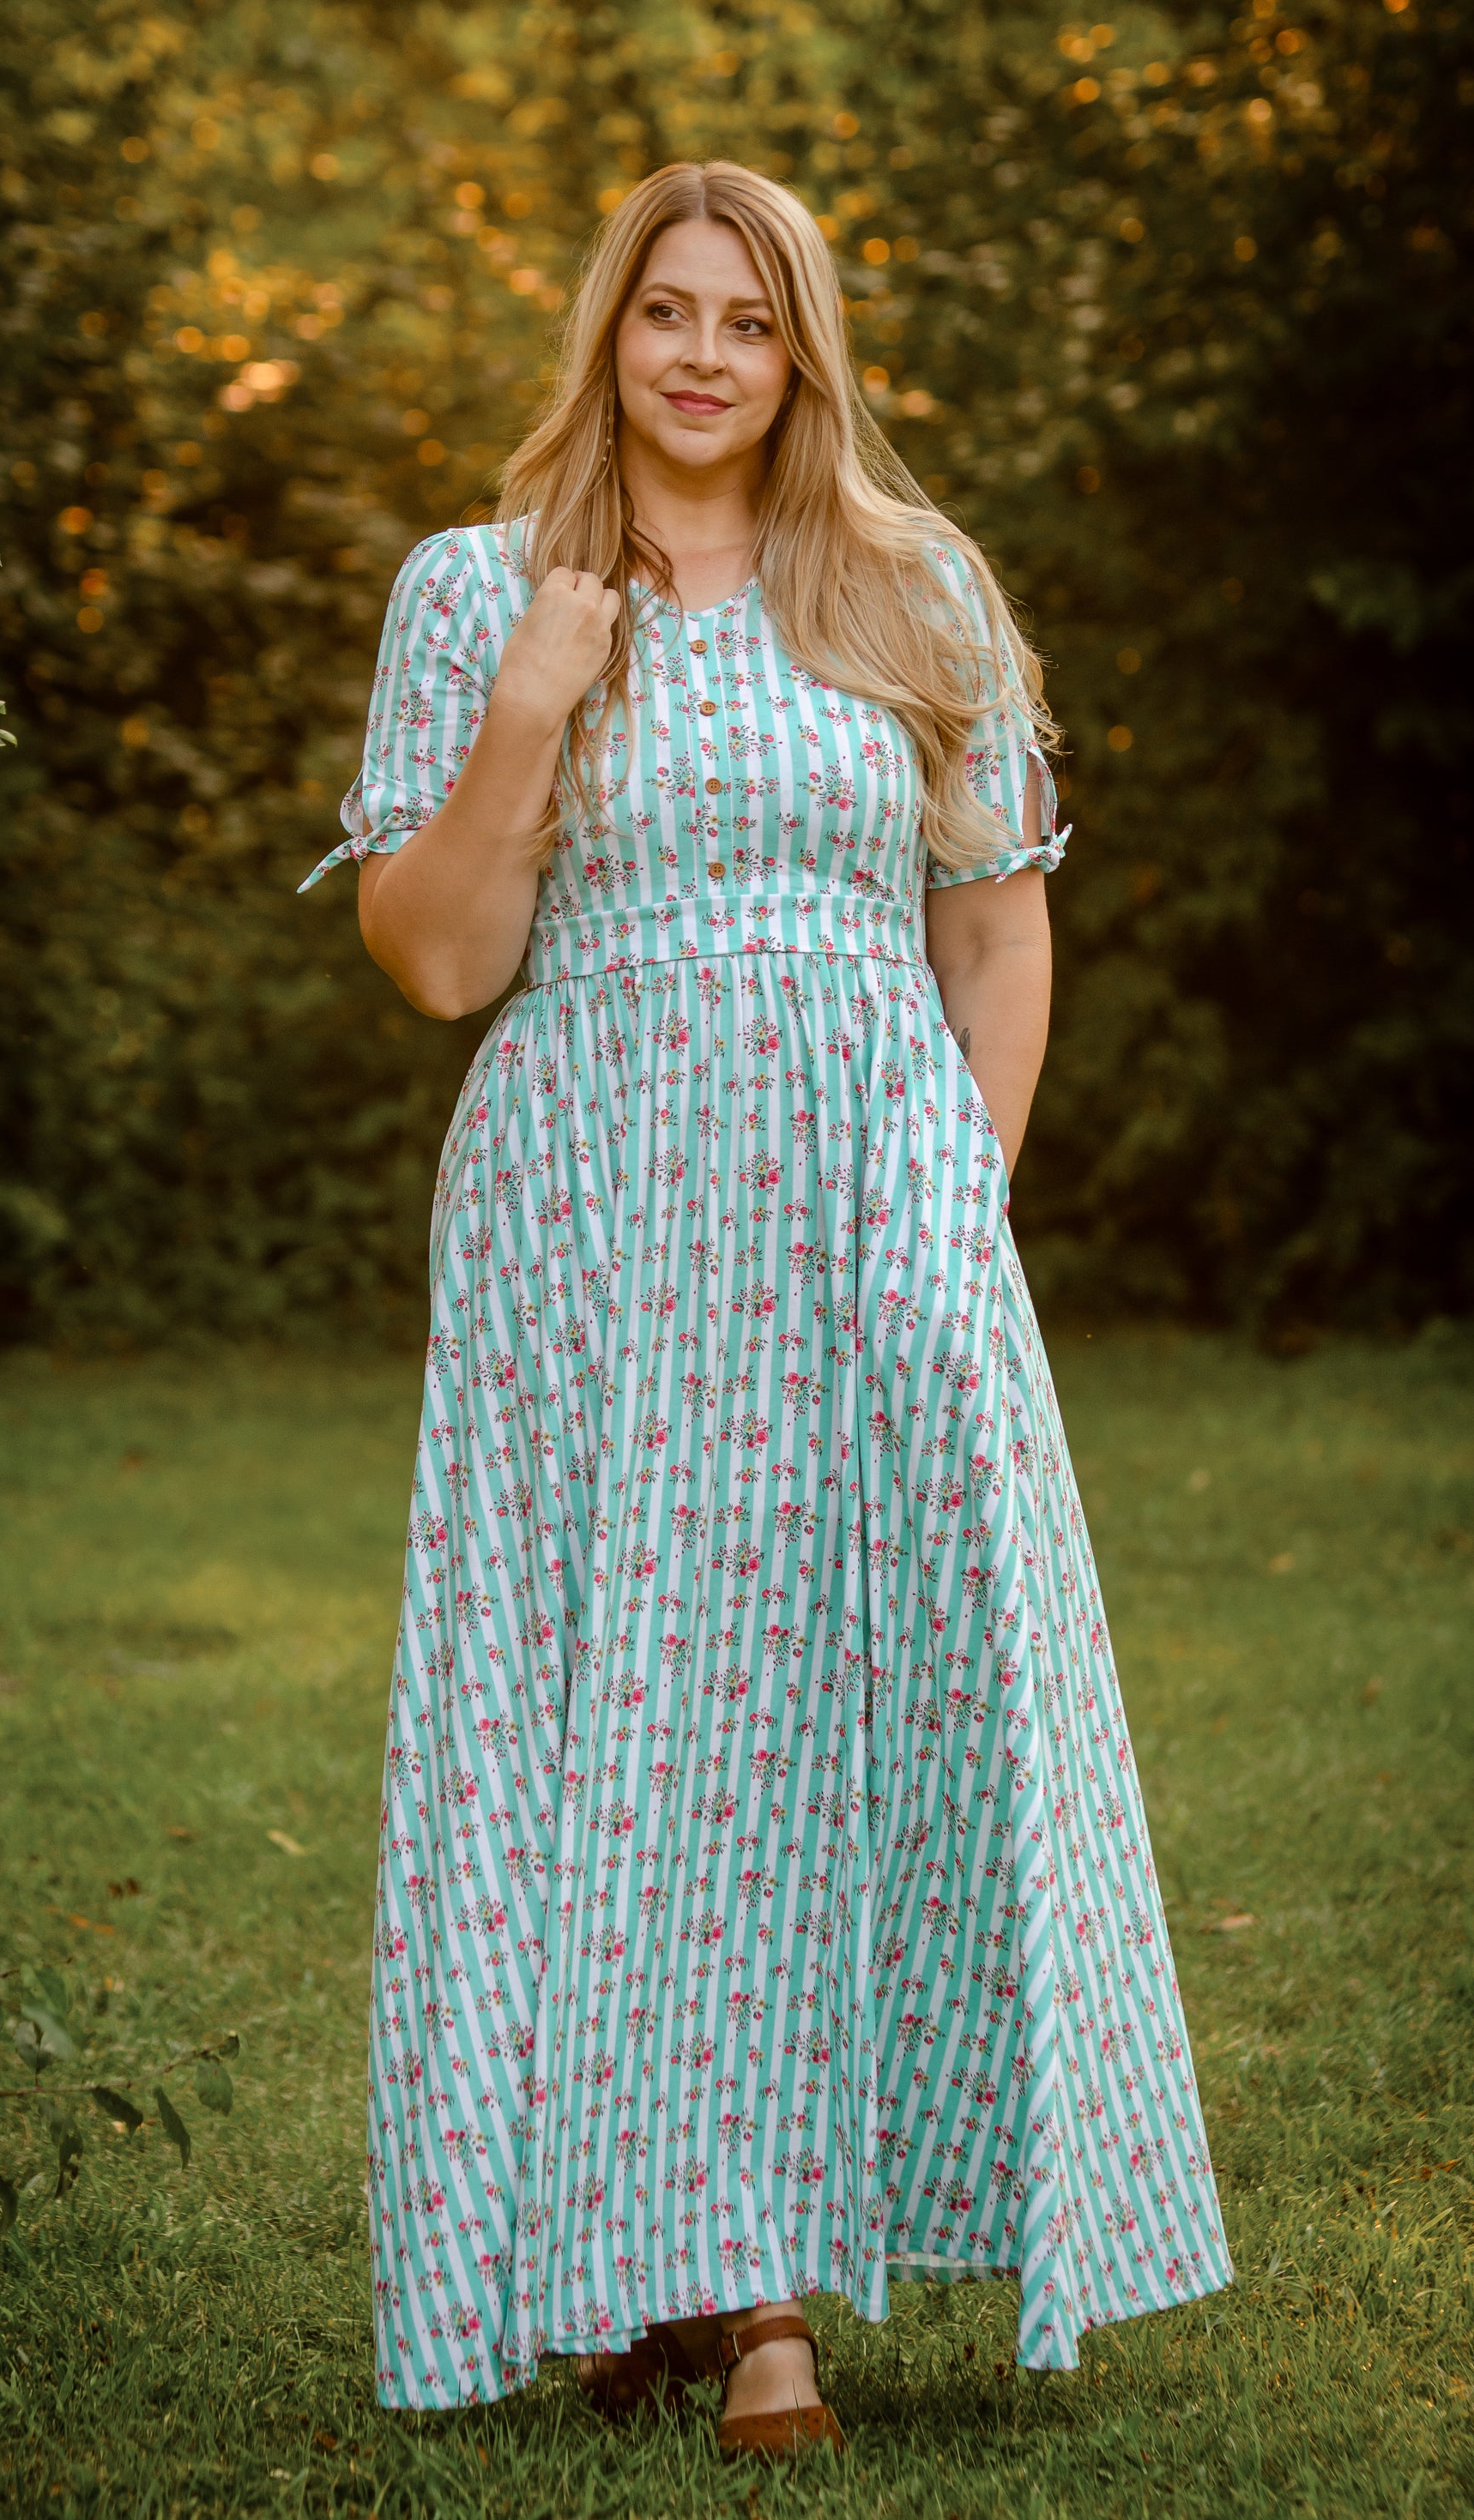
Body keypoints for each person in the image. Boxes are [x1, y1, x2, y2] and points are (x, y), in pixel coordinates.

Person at [301, 158, 1229, 2461]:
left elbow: (995, 925)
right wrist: (533, 701)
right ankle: (702, 2288)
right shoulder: (472, 590)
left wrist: (962, 1193)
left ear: (803, 352)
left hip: (863, 1209)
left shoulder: (912, 587)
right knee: (605, 1720)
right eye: (665, 312)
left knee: (850, 1707)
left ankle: (723, 2259)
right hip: (587, 1221)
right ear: (604, 332)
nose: (704, 354)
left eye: (751, 319)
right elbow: (433, 962)